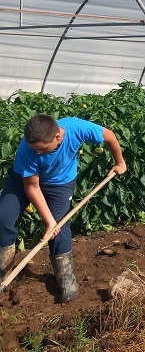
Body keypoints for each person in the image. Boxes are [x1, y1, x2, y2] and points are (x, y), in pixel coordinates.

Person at [0, 115, 126, 302]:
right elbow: (32, 188)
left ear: (57, 137)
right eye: (35, 149)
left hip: (60, 184)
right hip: (24, 181)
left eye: (42, 149)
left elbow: (109, 136)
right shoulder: (28, 149)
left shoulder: (77, 128)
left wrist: (119, 162)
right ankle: (3, 273)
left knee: (60, 229)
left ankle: (65, 278)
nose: (39, 154)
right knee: (3, 217)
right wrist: (49, 221)